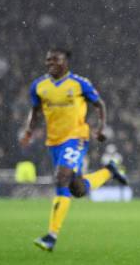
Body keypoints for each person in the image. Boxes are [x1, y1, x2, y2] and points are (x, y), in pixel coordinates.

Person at [20, 47, 128, 251]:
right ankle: (109, 171)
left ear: (65, 62)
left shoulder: (79, 84)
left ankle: (51, 236)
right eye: (48, 60)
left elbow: (100, 104)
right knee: (76, 189)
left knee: (61, 178)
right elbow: (34, 111)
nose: (50, 63)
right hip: (54, 142)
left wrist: (100, 127)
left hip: (76, 137)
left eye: (55, 60)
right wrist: (28, 131)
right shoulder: (39, 86)